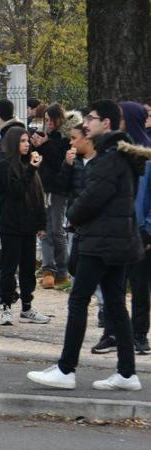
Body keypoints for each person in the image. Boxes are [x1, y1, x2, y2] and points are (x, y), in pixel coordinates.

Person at [27, 100, 148, 391]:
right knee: (116, 304)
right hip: (117, 240)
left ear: (106, 123)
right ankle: (127, 373)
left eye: (91, 119)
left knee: (78, 300)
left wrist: (72, 213)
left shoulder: (110, 158)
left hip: (101, 241)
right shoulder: (119, 154)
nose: (86, 124)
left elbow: (93, 198)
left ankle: (66, 369)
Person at [0, 127, 49, 326]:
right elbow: (15, 191)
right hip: (11, 225)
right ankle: (5, 306)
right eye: (23, 141)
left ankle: (27, 306)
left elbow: (38, 196)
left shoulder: (30, 166)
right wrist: (32, 169)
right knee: (9, 268)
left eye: (28, 141)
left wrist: (41, 223)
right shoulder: (5, 166)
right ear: (13, 143)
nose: (27, 144)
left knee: (28, 268)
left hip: (28, 225)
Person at [58, 123, 106, 330]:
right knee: (75, 267)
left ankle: (104, 307)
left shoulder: (103, 162)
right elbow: (62, 188)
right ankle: (78, 307)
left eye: (74, 137)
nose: (70, 142)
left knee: (98, 270)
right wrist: (66, 166)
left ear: (87, 139)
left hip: (95, 226)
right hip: (75, 225)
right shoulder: (74, 161)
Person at [31, 105, 81, 289]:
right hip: (42, 187)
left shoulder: (66, 139)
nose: (49, 124)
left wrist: (45, 146)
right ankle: (47, 270)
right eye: (46, 120)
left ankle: (61, 270)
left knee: (57, 230)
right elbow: (40, 161)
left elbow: (60, 162)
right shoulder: (47, 137)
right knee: (44, 230)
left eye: (51, 120)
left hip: (59, 189)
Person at [119, 101, 151, 354]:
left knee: (139, 286)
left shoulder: (147, 155)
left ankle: (139, 334)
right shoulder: (116, 152)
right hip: (118, 228)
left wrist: (147, 228)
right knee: (115, 285)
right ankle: (116, 332)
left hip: (140, 231)